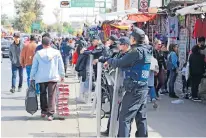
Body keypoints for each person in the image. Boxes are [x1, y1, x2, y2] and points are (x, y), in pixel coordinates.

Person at [100, 27, 152, 137]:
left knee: (124, 118)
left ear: (134, 39)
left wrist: (107, 60)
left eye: (131, 37)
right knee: (141, 117)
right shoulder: (147, 50)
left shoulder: (135, 51)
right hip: (142, 88)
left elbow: (120, 62)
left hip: (134, 89)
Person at [99, 37, 130, 136]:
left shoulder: (129, 55)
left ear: (125, 45)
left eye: (120, 44)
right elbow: (113, 59)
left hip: (123, 86)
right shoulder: (120, 53)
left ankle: (119, 133)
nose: (119, 46)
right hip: (114, 83)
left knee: (122, 112)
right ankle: (110, 130)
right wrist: (105, 60)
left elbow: (117, 62)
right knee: (114, 108)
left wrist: (109, 61)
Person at [30, 36, 65, 121]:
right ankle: (50, 114)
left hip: (41, 77)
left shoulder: (38, 54)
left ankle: (43, 111)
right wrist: (62, 75)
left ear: (42, 44)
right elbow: (61, 65)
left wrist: (32, 77)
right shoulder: (56, 52)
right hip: (53, 77)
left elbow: (34, 67)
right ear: (50, 43)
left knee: (42, 94)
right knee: (52, 95)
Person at [189, 37, 206, 101]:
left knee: (193, 84)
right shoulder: (201, 56)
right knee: (196, 84)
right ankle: (195, 96)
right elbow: (203, 64)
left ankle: (193, 95)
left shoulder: (191, 55)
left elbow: (190, 63)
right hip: (199, 72)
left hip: (192, 71)